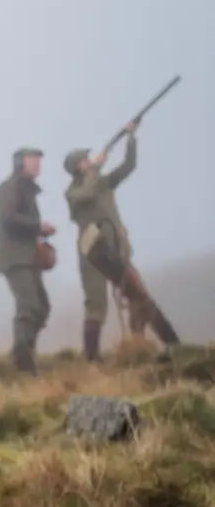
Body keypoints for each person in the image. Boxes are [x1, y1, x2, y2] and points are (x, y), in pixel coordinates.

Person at [64, 123, 179, 360]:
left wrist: (131, 139)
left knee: (139, 295)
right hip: (93, 253)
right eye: (85, 160)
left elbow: (128, 167)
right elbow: (87, 192)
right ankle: (92, 357)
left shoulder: (102, 182)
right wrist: (95, 168)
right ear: (77, 168)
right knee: (96, 304)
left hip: (115, 250)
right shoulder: (73, 192)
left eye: (89, 159)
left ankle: (166, 345)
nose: (90, 161)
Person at [0, 147, 55, 374]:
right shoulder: (9, 187)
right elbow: (7, 219)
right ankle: (22, 362)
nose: (38, 164)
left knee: (42, 307)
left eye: (39, 160)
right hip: (16, 258)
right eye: (33, 160)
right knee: (29, 306)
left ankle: (23, 353)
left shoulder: (26, 190)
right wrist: (38, 226)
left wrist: (41, 232)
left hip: (28, 258)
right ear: (20, 162)